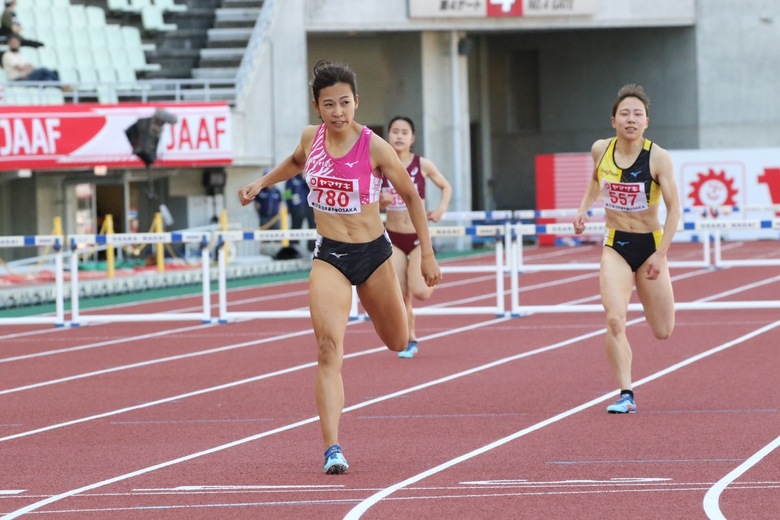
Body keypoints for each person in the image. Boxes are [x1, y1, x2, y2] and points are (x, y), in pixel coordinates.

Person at [238, 60, 441, 474]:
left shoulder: (376, 147)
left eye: (345, 103)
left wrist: (429, 253)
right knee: (328, 349)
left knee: (398, 340)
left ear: (356, 102)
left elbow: (413, 197)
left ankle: (389, 314)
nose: (338, 112)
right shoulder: (311, 139)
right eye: (329, 104)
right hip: (329, 255)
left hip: (373, 254)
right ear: (317, 106)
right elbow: (295, 163)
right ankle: (333, 448)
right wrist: (262, 182)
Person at [573, 83, 680, 414]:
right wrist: (583, 207)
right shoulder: (600, 150)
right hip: (615, 244)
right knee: (615, 319)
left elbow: (676, 208)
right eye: (624, 114)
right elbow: (595, 179)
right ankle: (626, 392)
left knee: (663, 330)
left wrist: (661, 255)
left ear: (647, 121)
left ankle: (629, 384)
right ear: (613, 120)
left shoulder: (658, 157)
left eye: (637, 114)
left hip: (649, 245)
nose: (630, 119)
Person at [380, 116, 452, 359]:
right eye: (394, 131)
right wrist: (380, 201)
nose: (399, 136)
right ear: (388, 136)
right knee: (400, 294)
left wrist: (441, 208)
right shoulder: (381, 165)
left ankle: (410, 332)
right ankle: (410, 337)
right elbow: (366, 197)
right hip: (393, 237)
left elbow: (446, 186)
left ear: (413, 138)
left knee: (420, 291)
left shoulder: (422, 165)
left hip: (417, 237)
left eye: (404, 132)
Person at [2, 34, 66, 88]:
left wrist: (27, 68)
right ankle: (62, 87)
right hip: (18, 80)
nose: (15, 44)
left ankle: (64, 92)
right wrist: (27, 68)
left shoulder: (20, 54)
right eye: (13, 43)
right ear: (9, 44)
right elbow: (20, 68)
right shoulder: (7, 55)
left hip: (27, 76)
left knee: (51, 75)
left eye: (16, 42)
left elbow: (30, 66)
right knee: (43, 70)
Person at [284, 171, 316, 252]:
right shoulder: (291, 180)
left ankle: (311, 248)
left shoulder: (307, 179)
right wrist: (289, 206)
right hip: (297, 208)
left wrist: (306, 179)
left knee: (312, 226)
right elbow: (287, 193)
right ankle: (293, 248)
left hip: (309, 207)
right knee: (296, 226)